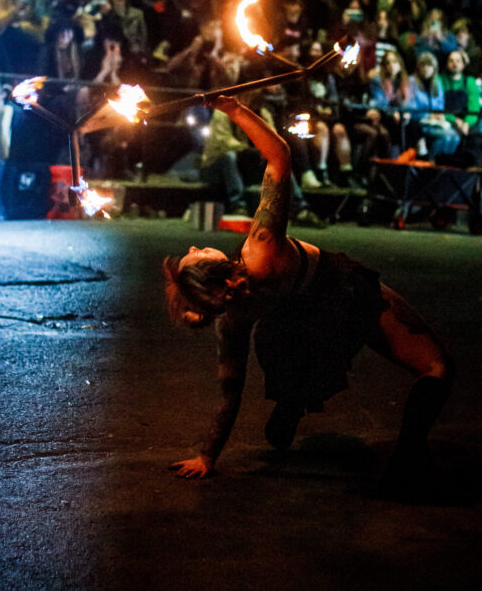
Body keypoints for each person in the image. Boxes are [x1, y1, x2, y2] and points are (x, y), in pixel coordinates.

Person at [163, 97, 453, 499]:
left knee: (292, 344)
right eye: (194, 256)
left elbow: (230, 393)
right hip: (344, 294)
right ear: (213, 274)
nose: (194, 247)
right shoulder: (260, 249)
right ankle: (406, 460)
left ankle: (292, 399)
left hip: (297, 326)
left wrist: (207, 456)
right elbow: (279, 156)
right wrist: (234, 109)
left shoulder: (233, 319)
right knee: (437, 367)